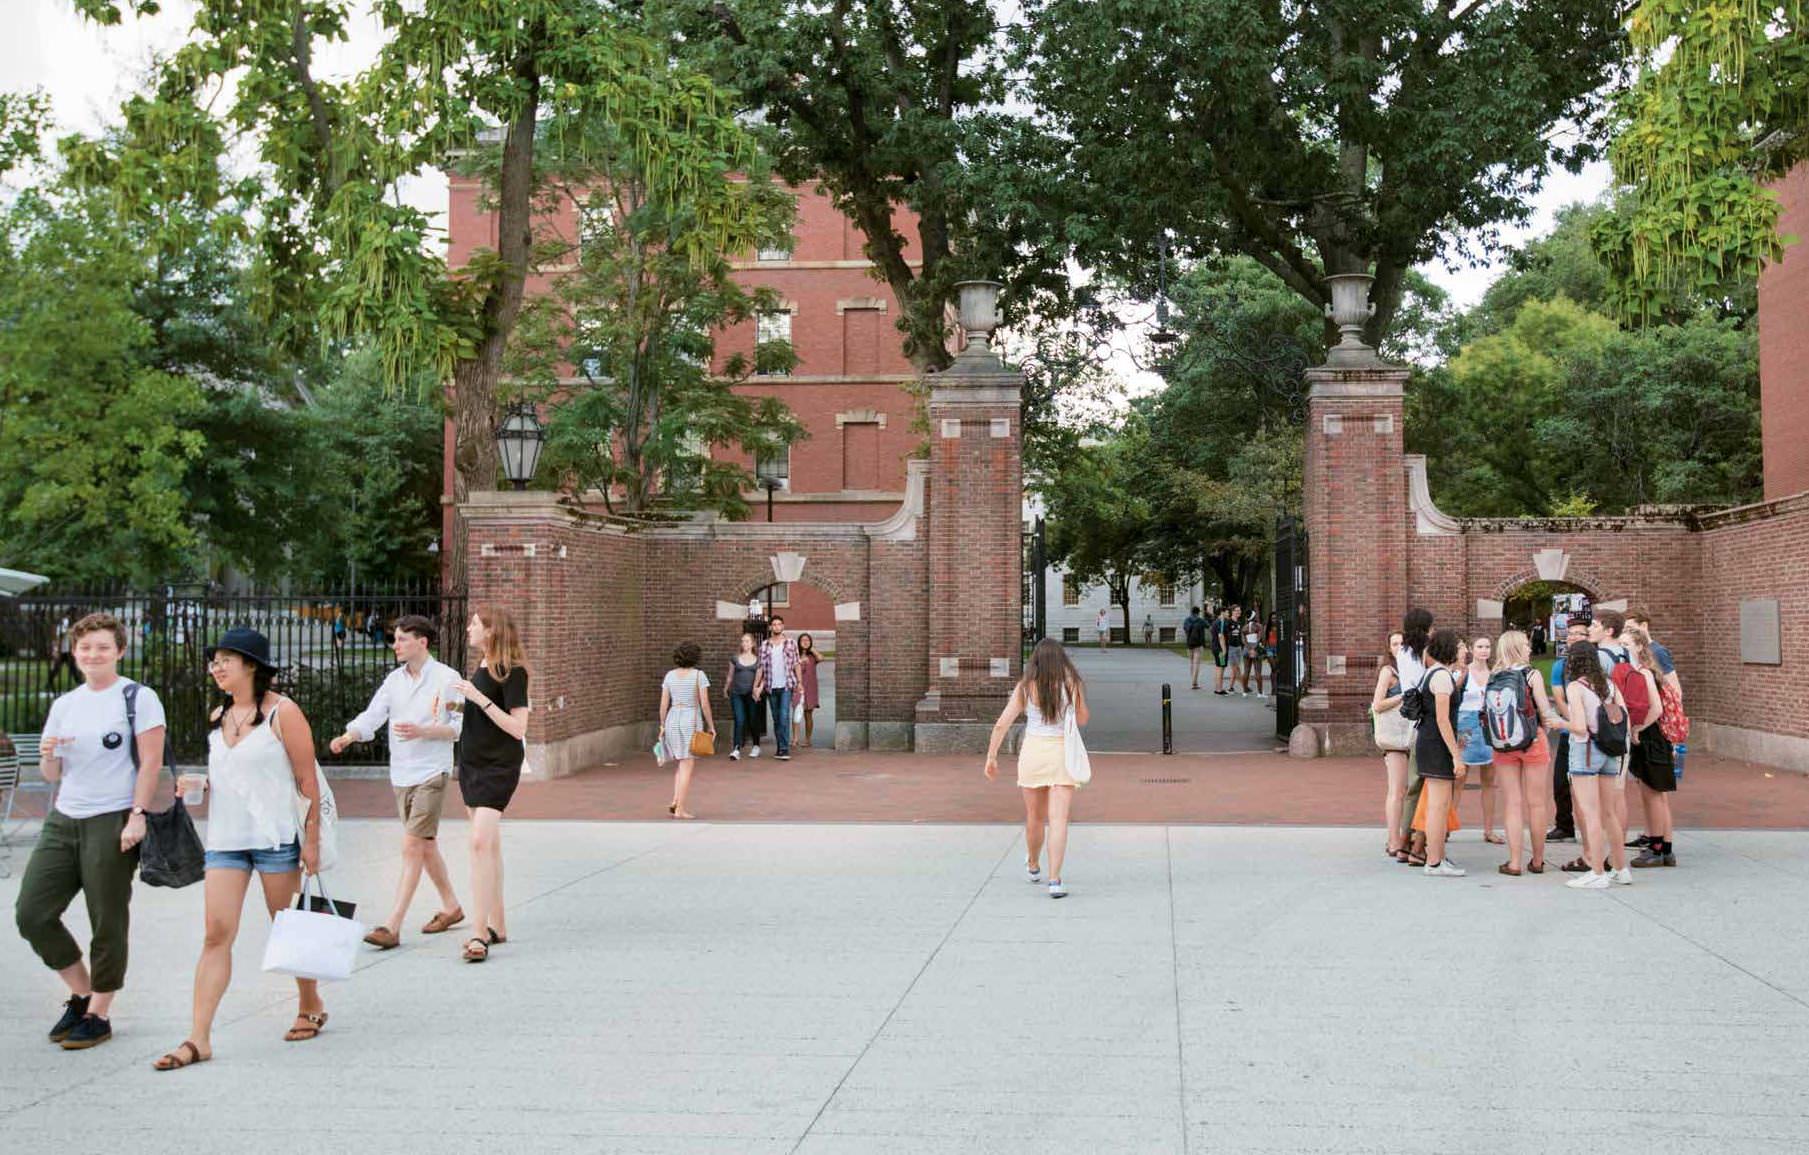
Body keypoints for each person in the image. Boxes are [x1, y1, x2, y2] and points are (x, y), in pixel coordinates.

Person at [155, 628, 325, 1071]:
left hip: (274, 839)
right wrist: (201, 783)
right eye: (214, 661)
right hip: (226, 841)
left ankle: (309, 1002)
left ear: (252, 665)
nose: (216, 667)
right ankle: (198, 1038)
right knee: (216, 934)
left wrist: (312, 842)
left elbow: (307, 782)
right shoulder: (218, 716)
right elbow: (234, 776)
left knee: (286, 928)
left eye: (226, 659)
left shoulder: (283, 713)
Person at [15, 613, 164, 1052]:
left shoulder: (138, 697)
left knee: (107, 917)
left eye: (102, 647)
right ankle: (80, 994)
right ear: (74, 652)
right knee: (32, 913)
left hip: (112, 816)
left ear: (119, 650)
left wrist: (137, 815)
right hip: (65, 818)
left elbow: (150, 763)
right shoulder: (66, 705)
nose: (92, 655)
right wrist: (47, 755)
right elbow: (51, 772)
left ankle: (99, 1012)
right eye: (84, 647)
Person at [328, 614, 466, 951]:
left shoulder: (448, 679)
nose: (395, 646)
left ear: (422, 642)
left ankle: (392, 925)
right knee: (425, 845)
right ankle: (452, 906)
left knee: (411, 845)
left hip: (432, 772)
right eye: (395, 640)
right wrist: (348, 736)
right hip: (401, 773)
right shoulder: (394, 681)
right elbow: (373, 715)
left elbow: (460, 727)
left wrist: (425, 731)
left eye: (402, 639)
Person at [450, 609, 530, 964]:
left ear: (492, 630)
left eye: (475, 624)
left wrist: (477, 698)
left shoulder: (513, 672)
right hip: (471, 763)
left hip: (499, 766)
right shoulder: (482, 666)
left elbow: (517, 727)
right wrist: (459, 703)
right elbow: (481, 713)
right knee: (489, 846)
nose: (469, 628)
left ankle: (478, 932)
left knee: (480, 842)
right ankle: (498, 923)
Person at [984, 639, 1090, 899]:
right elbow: (1082, 718)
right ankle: (1055, 880)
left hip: (1033, 753)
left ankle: (1033, 864)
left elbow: (1002, 723)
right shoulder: (1071, 684)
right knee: (1058, 820)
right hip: (1062, 754)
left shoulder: (1025, 687)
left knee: (1034, 816)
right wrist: (1073, 701)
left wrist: (991, 756)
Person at [1486, 630, 1564, 876]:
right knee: (1537, 803)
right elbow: (1544, 710)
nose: (1530, 648)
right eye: (1526, 645)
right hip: (1532, 741)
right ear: (1518, 648)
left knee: (1512, 803)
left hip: (1504, 743)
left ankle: (1515, 862)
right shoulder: (1532, 675)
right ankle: (1538, 861)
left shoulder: (1494, 675)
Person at [1561, 638, 1632, 889]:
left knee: (1590, 813)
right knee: (1610, 813)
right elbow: (1624, 719)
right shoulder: (1610, 686)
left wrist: (1559, 723)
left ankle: (1597, 871)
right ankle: (1621, 868)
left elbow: (1579, 727)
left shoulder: (1575, 688)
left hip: (1586, 752)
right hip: (1611, 750)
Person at [1621, 627, 1677, 868]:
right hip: (1655, 738)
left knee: (1652, 794)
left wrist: (1638, 729)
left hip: (1651, 738)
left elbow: (1656, 708)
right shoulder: (1646, 672)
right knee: (1657, 795)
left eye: (1626, 645)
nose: (1622, 650)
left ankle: (1656, 847)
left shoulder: (1643, 673)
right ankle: (1665, 848)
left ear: (1640, 647)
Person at [1414, 630, 1468, 877]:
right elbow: (1443, 720)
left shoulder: (1434, 674)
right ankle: (1434, 860)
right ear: (1450, 650)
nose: (1464, 651)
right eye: (1460, 647)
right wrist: (1456, 754)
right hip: (1437, 746)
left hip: (1430, 742)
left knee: (1440, 804)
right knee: (1438, 806)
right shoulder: (1442, 678)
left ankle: (1437, 857)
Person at [1546, 617, 1592, 843]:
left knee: (1586, 784)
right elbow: (1558, 697)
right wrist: (1573, 720)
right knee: (1560, 782)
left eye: (1579, 634)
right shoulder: (1560, 666)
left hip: (1590, 735)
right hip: (1569, 731)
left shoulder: (1596, 665)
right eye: (1570, 633)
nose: (1573, 637)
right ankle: (1564, 825)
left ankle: (1590, 828)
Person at [1393, 607, 1434, 864]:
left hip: (1412, 719)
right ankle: (1418, 843)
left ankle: (1403, 842)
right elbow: (1427, 683)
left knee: (1413, 785)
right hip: (1427, 718)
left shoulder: (1403, 652)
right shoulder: (1423, 653)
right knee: (1427, 784)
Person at [661, 641, 717, 819]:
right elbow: (704, 703)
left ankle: (675, 800)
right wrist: (711, 726)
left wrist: (662, 724)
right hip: (689, 719)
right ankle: (680, 809)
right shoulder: (699, 676)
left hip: (672, 717)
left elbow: (663, 704)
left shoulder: (669, 676)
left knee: (681, 761)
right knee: (687, 764)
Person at [1370, 631, 1411, 859]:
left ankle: (1406, 836)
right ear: (1389, 649)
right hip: (1395, 738)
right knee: (1397, 789)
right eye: (1394, 644)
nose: (1398, 647)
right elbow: (1377, 704)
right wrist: (1403, 697)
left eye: (1402, 643)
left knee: (1408, 790)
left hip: (1411, 736)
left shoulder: (1413, 669)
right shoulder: (1389, 672)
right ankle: (1393, 839)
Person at [1458, 636, 1500, 845]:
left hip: (1488, 725)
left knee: (1489, 780)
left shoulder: (1495, 674)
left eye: (1487, 646)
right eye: (1480, 647)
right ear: (1472, 649)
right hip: (1466, 725)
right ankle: (1448, 824)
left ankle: (1489, 829)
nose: (1484, 650)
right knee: (1459, 776)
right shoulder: (1463, 672)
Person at [757, 615, 801, 761]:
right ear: (770, 627)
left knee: (784, 716)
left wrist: (799, 682)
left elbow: (796, 663)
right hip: (771, 687)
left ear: (783, 626)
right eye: (774, 624)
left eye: (779, 624)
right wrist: (755, 686)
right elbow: (760, 668)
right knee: (776, 719)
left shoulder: (791, 643)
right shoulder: (764, 645)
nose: (776, 627)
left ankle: (784, 749)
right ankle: (780, 747)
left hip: (786, 685)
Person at [725, 632, 763, 761]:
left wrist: (757, 690)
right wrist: (726, 688)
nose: (744, 643)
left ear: (752, 644)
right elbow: (730, 675)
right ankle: (736, 748)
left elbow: (760, 678)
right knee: (739, 719)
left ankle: (756, 745)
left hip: (751, 694)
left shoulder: (758, 660)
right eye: (743, 641)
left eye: (747, 641)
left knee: (753, 720)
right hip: (737, 693)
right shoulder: (735, 659)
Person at [796, 633, 822, 748]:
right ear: (799, 642)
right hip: (798, 687)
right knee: (796, 713)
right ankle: (795, 738)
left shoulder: (813, 656)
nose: (805, 642)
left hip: (811, 687)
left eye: (807, 640)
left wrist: (811, 648)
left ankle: (808, 740)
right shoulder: (795, 655)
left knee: (808, 714)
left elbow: (821, 658)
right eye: (803, 640)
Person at [44, 613, 81, 690]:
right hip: (62, 651)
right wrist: (57, 650)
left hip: (67, 651)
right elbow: (61, 636)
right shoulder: (63, 624)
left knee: (72, 668)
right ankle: (48, 683)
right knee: (56, 668)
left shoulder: (70, 625)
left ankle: (79, 682)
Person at [1182, 606, 1210, 690]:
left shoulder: (1187, 620)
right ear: (1198, 612)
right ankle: (1195, 682)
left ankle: (1193, 680)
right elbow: (1208, 626)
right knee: (1196, 664)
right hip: (1198, 644)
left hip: (1189, 644)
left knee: (1191, 663)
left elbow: (1185, 629)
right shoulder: (1201, 620)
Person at [1242, 608, 1266, 696]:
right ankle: (1260, 693)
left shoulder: (1244, 627)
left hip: (1246, 650)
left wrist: (1248, 649)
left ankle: (1244, 692)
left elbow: (1244, 641)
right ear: (1254, 616)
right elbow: (1260, 638)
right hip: (1255, 649)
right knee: (1258, 671)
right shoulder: (1259, 626)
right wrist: (1253, 649)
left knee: (1246, 671)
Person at [1211, 607, 1233, 695]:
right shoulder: (1221, 622)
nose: (1229, 614)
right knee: (1221, 668)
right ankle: (1219, 689)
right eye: (1227, 612)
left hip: (1215, 648)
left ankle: (1218, 688)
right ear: (1222, 612)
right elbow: (1221, 636)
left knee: (1218, 667)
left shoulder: (1216, 622)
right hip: (1220, 649)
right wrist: (1224, 650)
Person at [1225, 605, 1246, 695]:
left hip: (1238, 647)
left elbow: (1240, 635)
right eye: (1237, 610)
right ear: (1232, 612)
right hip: (1231, 647)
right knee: (1235, 668)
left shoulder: (1240, 622)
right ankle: (1243, 687)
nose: (1239, 612)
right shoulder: (1228, 622)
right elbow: (1224, 635)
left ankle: (1231, 688)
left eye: (1240, 610)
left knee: (1236, 668)